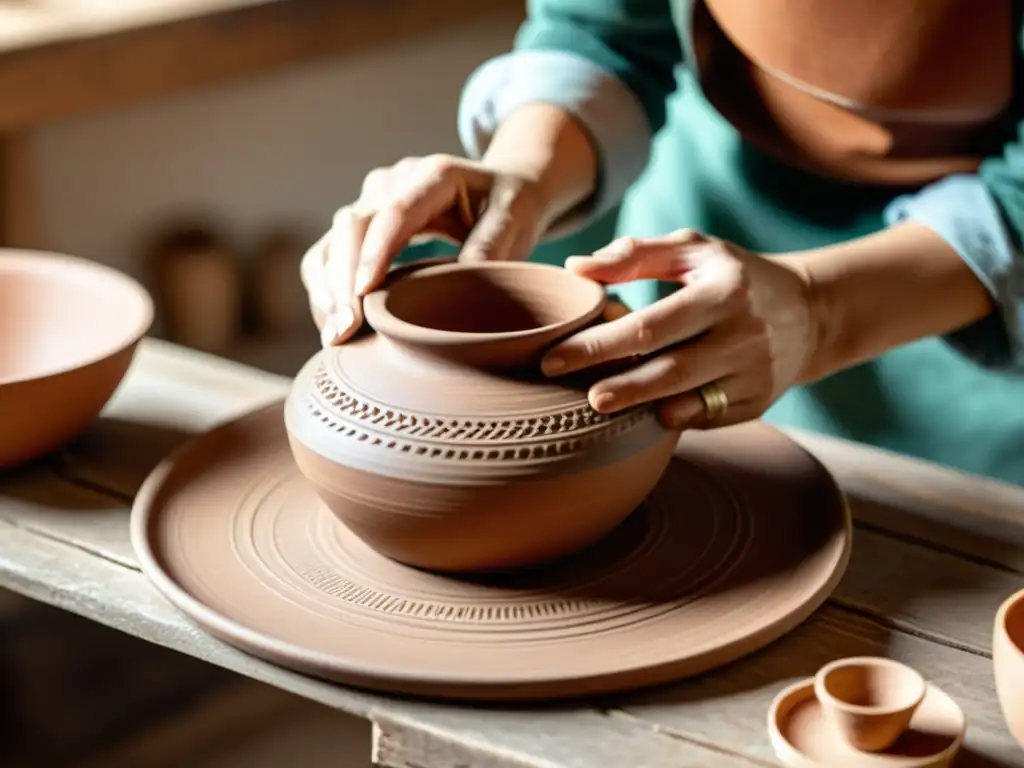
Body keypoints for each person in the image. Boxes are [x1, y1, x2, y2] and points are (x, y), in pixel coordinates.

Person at [301, 0, 1024, 486]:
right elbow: (605, 27)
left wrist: (818, 311)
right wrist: (521, 172)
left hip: (968, 353)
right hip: (701, 255)